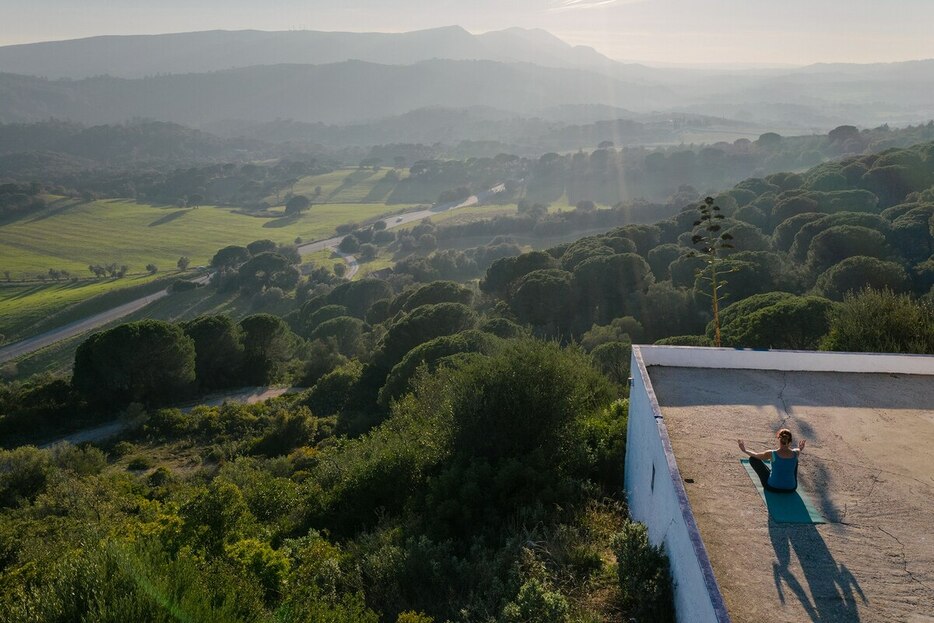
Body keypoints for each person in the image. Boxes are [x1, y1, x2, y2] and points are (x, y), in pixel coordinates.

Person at [738, 428, 806, 492]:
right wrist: (800, 448)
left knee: (753, 459)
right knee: (795, 460)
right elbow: (799, 450)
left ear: (779, 440)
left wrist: (744, 450)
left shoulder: (772, 453)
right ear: (790, 441)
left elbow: (756, 455)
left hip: (772, 487)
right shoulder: (796, 452)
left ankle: (775, 475)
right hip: (791, 488)